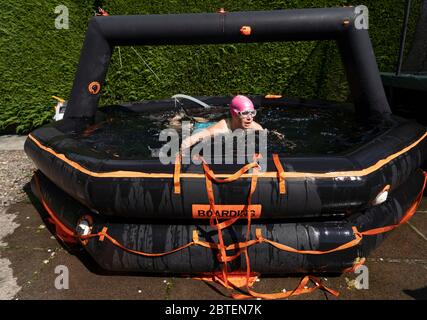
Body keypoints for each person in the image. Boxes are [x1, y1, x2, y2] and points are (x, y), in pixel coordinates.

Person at [180, 95, 263, 150]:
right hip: (202, 127)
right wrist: (182, 154)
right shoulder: (221, 129)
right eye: (244, 113)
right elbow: (187, 142)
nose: (250, 118)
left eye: (252, 113)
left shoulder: (255, 128)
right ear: (234, 114)